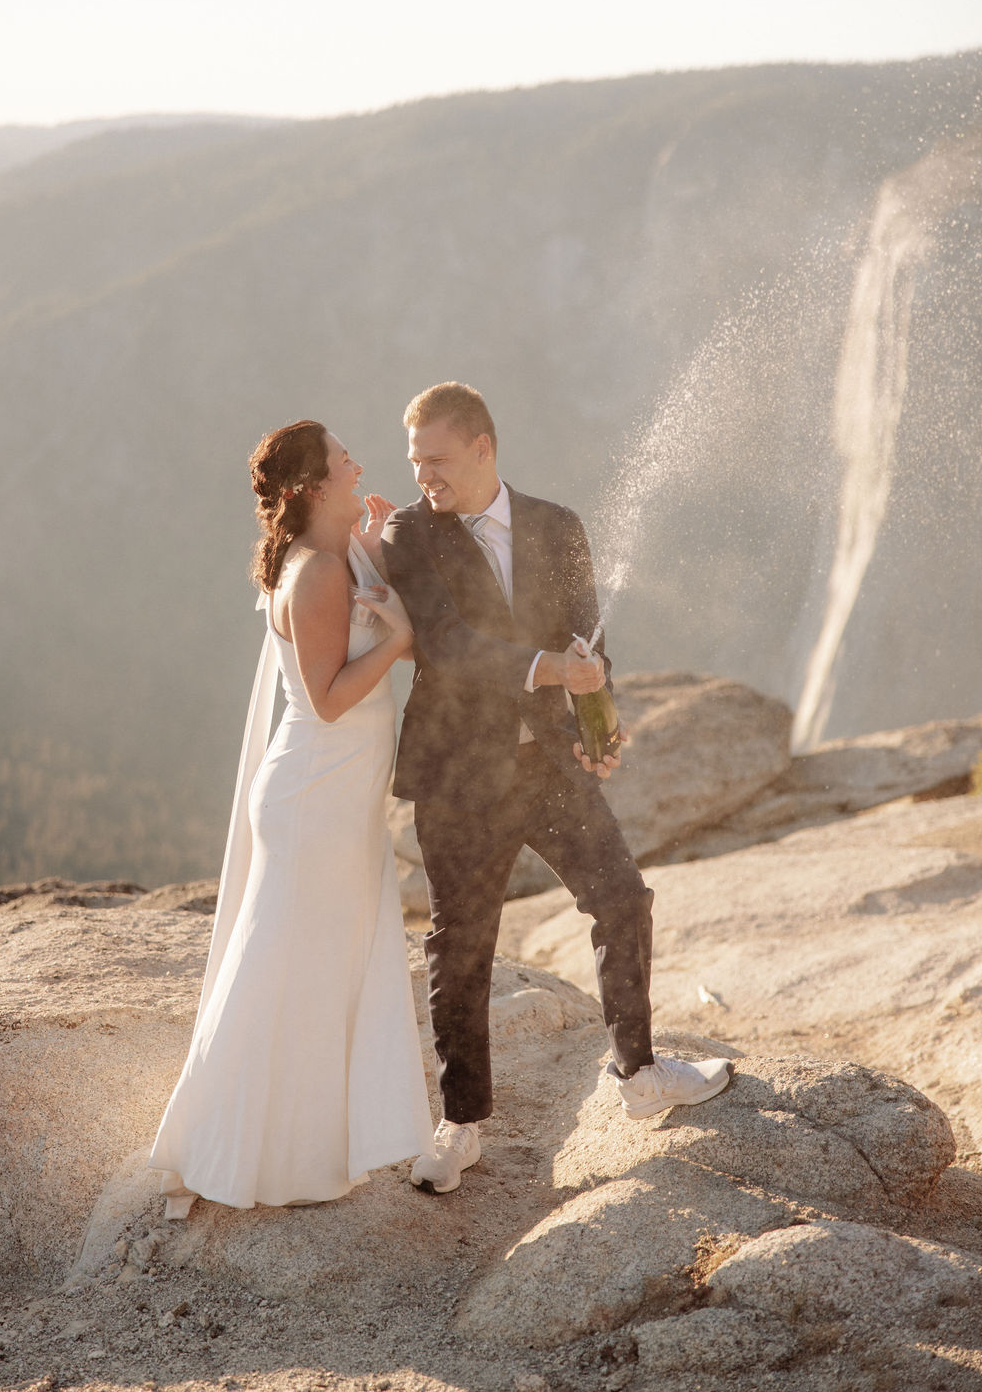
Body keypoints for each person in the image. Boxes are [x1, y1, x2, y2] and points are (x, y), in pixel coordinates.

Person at [381, 383, 731, 1195]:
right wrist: (553, 668)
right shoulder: (409, 532)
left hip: (545, 765)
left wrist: (593, 731)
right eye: (413, 461)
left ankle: (640, 1074)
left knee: (622, 895)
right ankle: (460, 1124)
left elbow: (590, 641)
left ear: (481, 446)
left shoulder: (557, 524)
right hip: (458, 778)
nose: (423, 474)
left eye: (435, 458)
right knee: (459, 946)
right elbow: (448, 643)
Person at [149, 420, 433, 1215]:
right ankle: (238, 1146)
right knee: (286, 973)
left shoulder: (341, 555)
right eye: (346, 462)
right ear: (312, 486)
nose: (360, 466)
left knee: (319, 972)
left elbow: (383, 646)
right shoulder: (313, 575)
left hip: (337, 800)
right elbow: (330, 699)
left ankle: (298, 1149)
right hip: (314, 798)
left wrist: (376, 544)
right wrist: (401, 631)